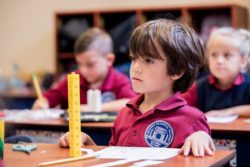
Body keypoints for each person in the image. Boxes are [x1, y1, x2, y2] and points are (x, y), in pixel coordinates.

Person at [59, 19, 216, 157]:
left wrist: (202, 137)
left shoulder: (193, 120)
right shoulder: (124, 114)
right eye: (134, 58)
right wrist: (87, 143)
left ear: (177, 71)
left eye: (148, 60)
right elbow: (114, 159)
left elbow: (203, 157)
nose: (135, 68)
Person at [32, 27, 136, 112]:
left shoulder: (119, 81)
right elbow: (53, 96)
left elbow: (129, 102)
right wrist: (43, 102)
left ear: (109, 59)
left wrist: (92, 108)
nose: (83, 70)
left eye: (90, 64)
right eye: (79, 64)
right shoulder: (74, 80)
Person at [182, 27, 250, 117]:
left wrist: (228, 112)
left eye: (227, 55)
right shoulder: (198, 87)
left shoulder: (248, 84)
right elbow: (179, 107)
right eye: (214, 55)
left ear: (243, 61)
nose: (219, 61)